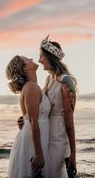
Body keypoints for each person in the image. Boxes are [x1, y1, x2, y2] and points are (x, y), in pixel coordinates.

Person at [19, 36, 77, 178]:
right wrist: (25, 119)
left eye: (41, 56)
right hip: (45, 136)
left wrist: (73, 154)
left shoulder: (65, 81)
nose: (39, 60)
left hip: (58, 140)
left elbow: (69, 120)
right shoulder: (49, 79)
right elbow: (40, 108)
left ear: (50, 57)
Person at [6, 55, 51, 178]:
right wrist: (38, 153)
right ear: (25, 68)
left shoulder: (32, 87)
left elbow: (28, 118)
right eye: (27, 59)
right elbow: (32, 120)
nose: (31, 59)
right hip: (33, 145)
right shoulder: (31, 87)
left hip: (36, 139)